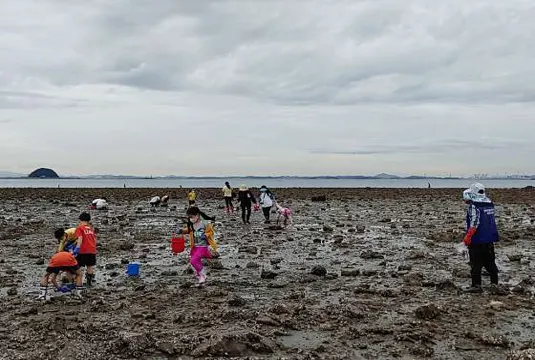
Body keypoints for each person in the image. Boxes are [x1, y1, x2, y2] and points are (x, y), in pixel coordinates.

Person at [462, 183, 500, 293]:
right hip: (489, 238)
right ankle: (494, 284)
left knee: (476, 264)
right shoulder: (489, 203)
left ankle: (476, 286)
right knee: (490, 263)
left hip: (477, 240)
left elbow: (475, 222)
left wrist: (468, 236)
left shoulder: (474, 205)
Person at [174, 206, 218, 285]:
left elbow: (211, 232)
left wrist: (206, 235)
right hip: (195, 246)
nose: (190, 219)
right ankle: (199, 274)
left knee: (193, 261)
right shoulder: (192, 224)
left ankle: (202, 275)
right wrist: (181, 231)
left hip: (203, 246)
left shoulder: (205, 223)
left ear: (197, 215)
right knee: (196, 261)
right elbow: (188, 231)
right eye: (189, 217)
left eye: (192, 217)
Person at [74, 212, 98, 287]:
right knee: (89, 266)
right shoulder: (91, 229)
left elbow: (80, 239)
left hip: (83, 250)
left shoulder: (79, 228)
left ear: (80, 220)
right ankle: (89, 283)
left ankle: (79, 282)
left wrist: (77, 248)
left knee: (79, 266)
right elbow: (94, 239)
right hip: (92, 250)